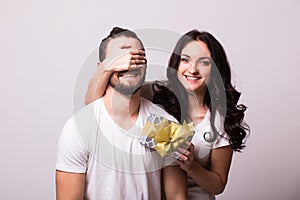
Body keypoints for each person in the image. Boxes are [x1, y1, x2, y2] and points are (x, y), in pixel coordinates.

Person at [85, 29, 249, 200]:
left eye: (203, 62)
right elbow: (94, 104)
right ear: (176, 64)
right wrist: (108, 66)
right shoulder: (154, 94)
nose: (192, 69)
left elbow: (218, 184)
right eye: (185, 60)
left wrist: (191, 165)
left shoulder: (218, 122)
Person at [56, 27, 187, 200]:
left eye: (137, 58)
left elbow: (177, 195)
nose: (130, 63)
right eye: (121, 58)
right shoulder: (79, 128)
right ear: (102, 69)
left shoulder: (163, 124)